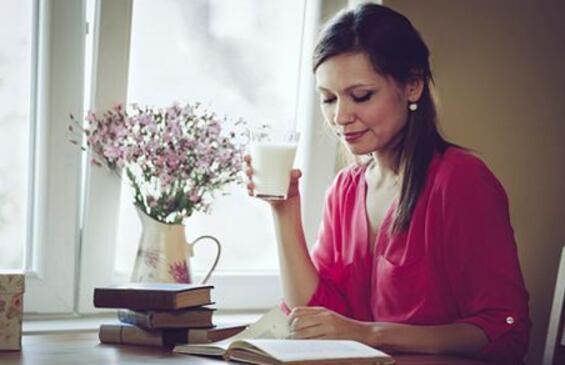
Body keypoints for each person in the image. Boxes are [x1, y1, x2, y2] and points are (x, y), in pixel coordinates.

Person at [244, 3, 530, 364]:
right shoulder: (345, 190)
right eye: (328, 99)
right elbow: (315, 317)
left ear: (412, 86)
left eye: (361, 96)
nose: (340, 117)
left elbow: (506, 326)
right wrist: (284, 210)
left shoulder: (460, 180)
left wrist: (368, 333)